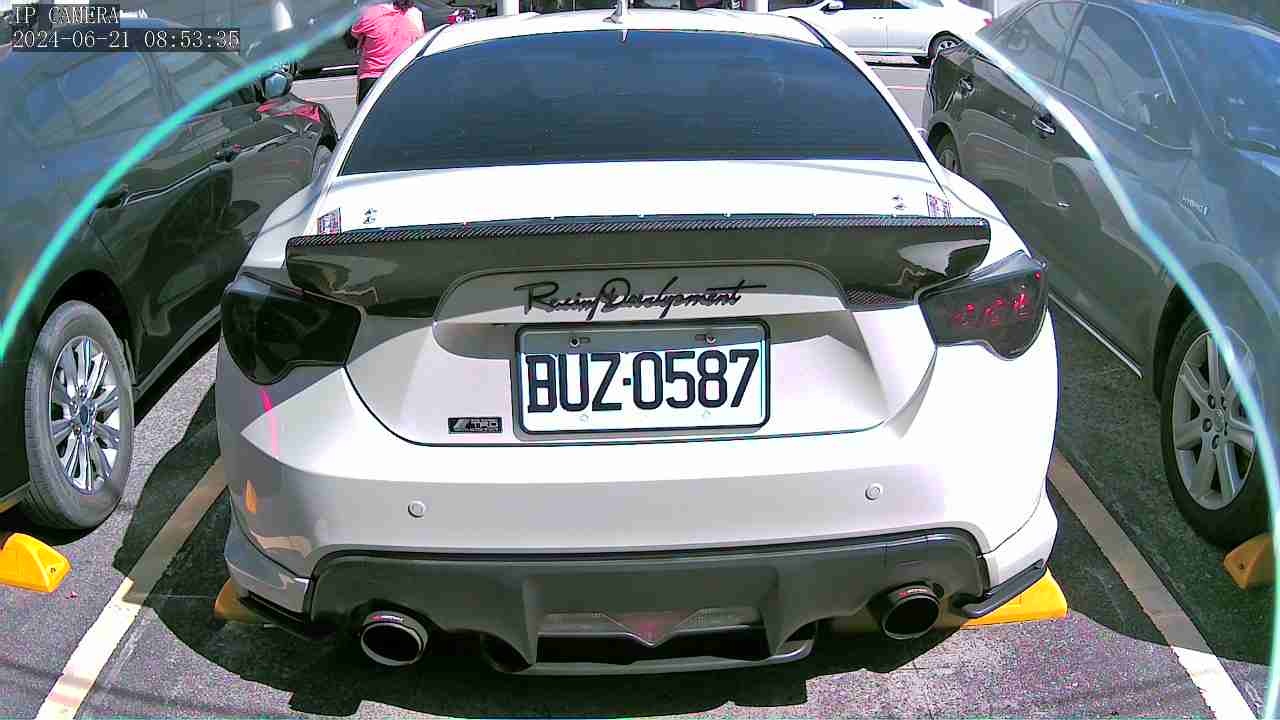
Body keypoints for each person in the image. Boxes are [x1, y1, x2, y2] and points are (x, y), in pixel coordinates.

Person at [347, 0, 425, 104]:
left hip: (373, 78)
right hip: (405, 76)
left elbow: (350, 40)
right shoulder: (415, 14)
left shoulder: (369, 14)